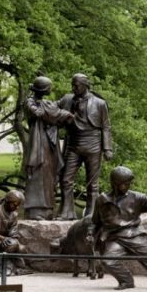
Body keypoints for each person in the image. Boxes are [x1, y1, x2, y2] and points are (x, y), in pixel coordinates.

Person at [88, 166, 147, 291]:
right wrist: (90, 233)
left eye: (129, 183)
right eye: (124, 183)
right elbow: (95, 221)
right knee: (108, 260)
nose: (128, 185)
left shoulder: (137, 197)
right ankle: (126, 281)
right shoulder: (102, 200)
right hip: (114, 237)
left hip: (134, 235)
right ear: (115, 183)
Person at [56, 73, 113, 220]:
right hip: (73, 145)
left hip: (93, 145)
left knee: (93, 184)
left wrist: (107, 148)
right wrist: (35, 100)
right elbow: (52, 108)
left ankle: (91, 215)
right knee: (66, 180)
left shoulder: (99, 103)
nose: (73, 88)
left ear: (85, 85)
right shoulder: (67, 99)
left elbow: (106, 127)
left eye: (76, 85)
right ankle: (67, 212)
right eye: (72, 85)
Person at [22, 76, 73, 220]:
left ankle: (48, 209)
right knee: (38, 172)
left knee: (49, 173)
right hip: (38, 142)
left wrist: (58, 110)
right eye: (49, 86)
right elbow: (39, 113)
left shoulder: (44, 103)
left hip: (49, 143)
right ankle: (35, 211)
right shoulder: (29, 102)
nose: (51, 89)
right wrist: (57, 112)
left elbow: (53, 114)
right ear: (43, 89)